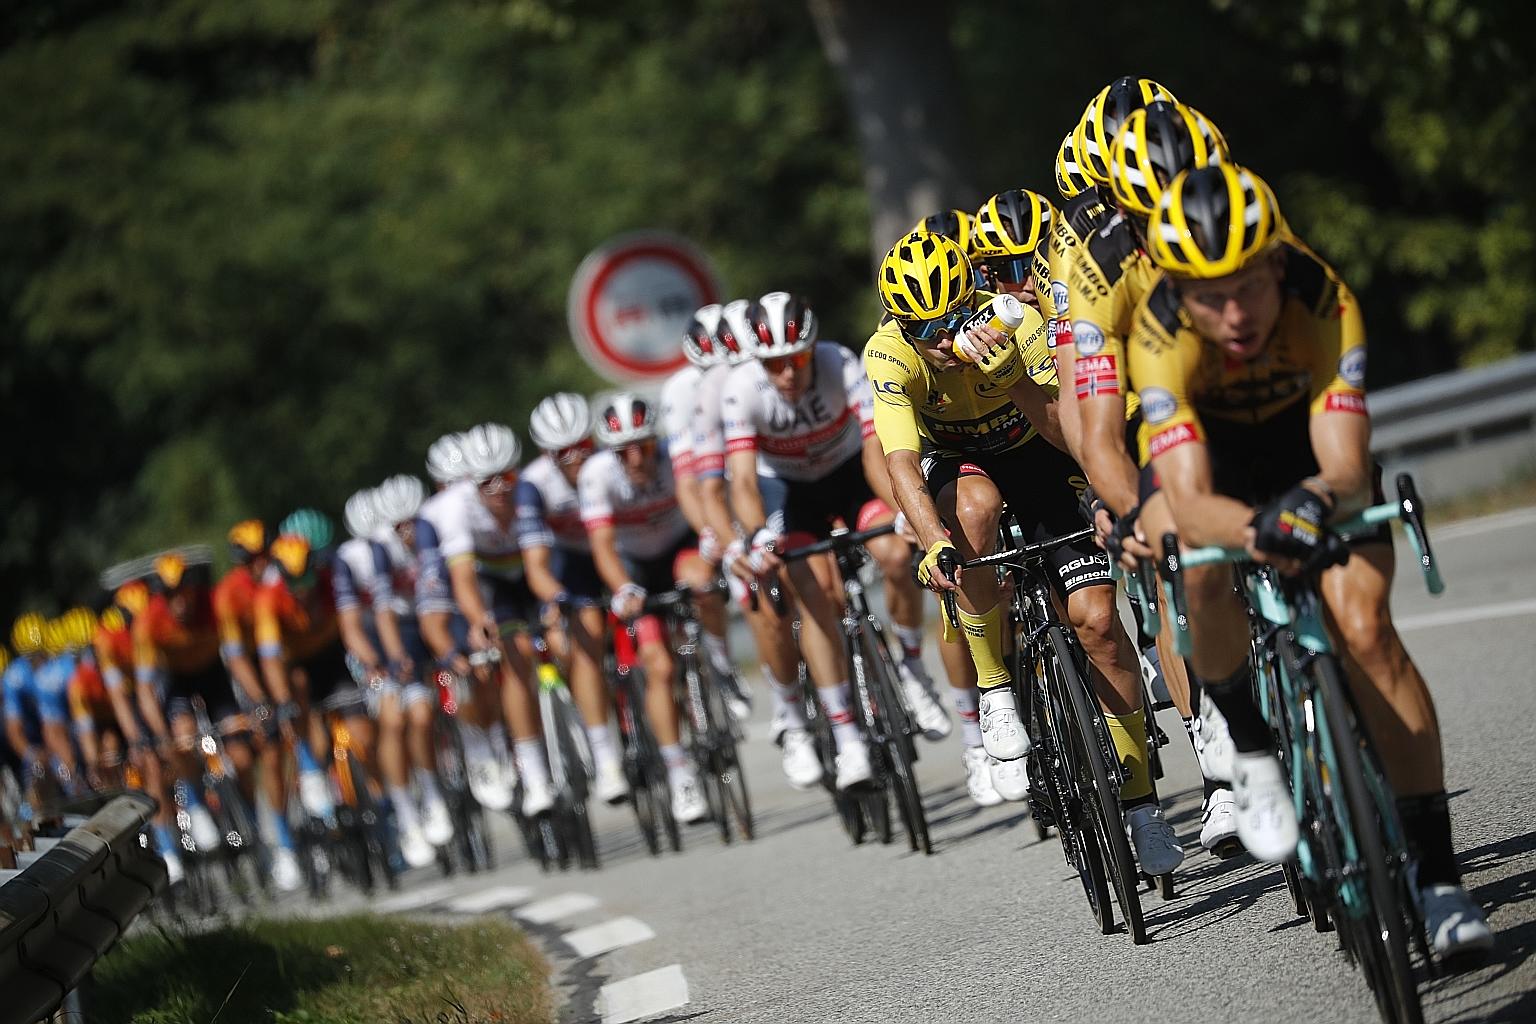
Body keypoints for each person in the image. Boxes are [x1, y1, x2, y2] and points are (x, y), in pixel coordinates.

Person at [1126, 162, 1492, 956]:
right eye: (1207, 296)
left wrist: (1315, 503)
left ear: (1278, 266)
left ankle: (1440, 881)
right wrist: (1256, 529)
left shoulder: (1325, 299)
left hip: (1312, 457)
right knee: (1198, 567)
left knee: (1365, 630)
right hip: (1219, 470)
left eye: (1249, 288)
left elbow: (1345, 461)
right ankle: (1253, 752)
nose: (1232, 313)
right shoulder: (1157, 333)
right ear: (1177, 292)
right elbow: (1187, 496)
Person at [866, 230, 1184, 876]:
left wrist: (1007, 374)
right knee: (973, 518)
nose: (941, 339)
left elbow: (1068, 433)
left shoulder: (1024, 323)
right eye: (923, 327)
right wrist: (933, 545)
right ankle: (995, 690)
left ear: (974, 298)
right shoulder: (890, 353)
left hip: (1036, 451)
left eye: (953, 319)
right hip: (959, 465)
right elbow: (899, 460)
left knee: (1097, 621)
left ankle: (1143, 809)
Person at [1066, 98, 1241, 856]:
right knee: (1177, 571)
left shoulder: (1242, 214)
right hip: (1142, 403)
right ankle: (1219, 754)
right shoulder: (1093, 259)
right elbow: (1086, 416)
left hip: (1233, 387)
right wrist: (1124, 502)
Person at [722, 291, 946, 792]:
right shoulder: (742, 388)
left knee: (892, 552)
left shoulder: (840, 363)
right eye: (774, 363)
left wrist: (903, 514)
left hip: (848, 474)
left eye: (796, 359)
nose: (786, 374)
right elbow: (740, 479)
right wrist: (758, 535)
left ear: (813, 349)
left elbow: (875, 451)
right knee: (814, 591)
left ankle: (912, 667)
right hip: (790, 491)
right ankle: (845, 736)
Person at [579, 392, 710, 823]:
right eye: (624, 451)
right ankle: (679, 772)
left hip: (677, 547)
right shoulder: (597, 475)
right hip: (633, 563)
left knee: (703, 581)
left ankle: (721, 665)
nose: (635, 459)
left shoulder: (676, 457)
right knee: (658, 666)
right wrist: (621, 589)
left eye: (644, 446)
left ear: (658, 440)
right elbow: (601, 546)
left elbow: (700, 510)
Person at [415, 423, 555, 817]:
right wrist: (477, 623)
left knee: (556, 639)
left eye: (506, 477)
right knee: (484, 663)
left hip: (522, 573)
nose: (499, 489)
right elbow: (460, 584)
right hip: (479, 582)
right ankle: (492, 747)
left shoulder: (526, 492)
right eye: (485, 482)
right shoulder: (447, 513)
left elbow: (540, 565)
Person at [519, 393, 630, 804]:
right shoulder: (534, 485)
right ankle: (606, 759)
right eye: (560, 453)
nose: (574, 460)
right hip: (574, 564)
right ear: (546, 454)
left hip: (621, 549)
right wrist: (559, 599)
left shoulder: (612, 461)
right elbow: (536, 566)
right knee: (583, 639)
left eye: (581, 448)